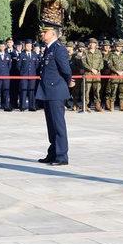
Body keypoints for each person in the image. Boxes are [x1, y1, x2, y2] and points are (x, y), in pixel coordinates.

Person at [36, 18, 73, 166]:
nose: (42, 34)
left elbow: (66, 70)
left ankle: (62, 156)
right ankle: (52, 153)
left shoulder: (58, 49)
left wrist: (67, 82)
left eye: (44, 32)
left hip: (56, 91)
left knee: (58, 125)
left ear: (52, 33)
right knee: (51, 125)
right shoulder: (49, 48)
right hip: (48, 91)